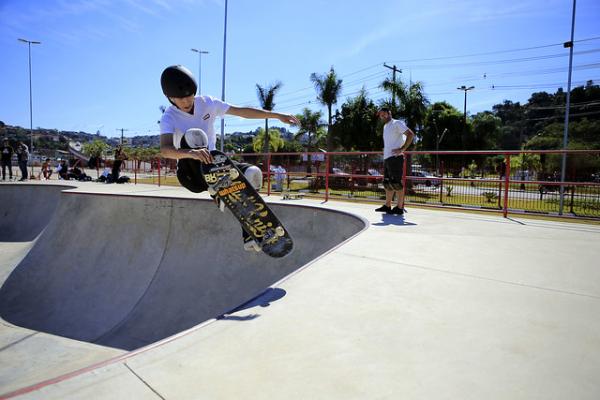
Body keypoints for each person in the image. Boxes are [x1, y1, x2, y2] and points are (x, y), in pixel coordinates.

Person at [159, 65, 299, 251]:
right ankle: (215, 188)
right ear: (170, 98)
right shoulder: (169, 117)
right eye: (180, 99)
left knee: (253, 173)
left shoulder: (208, 103)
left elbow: (242, 111)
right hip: (190, 175)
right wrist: (190, 153)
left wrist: (277, 115)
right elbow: (166, 149)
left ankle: (249, 234)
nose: (186, 101)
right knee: (194, 135)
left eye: (190, 96)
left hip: (216, 164)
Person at [375, 107, 415, 215]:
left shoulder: (397, 123)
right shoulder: (385, 126)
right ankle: (387, 206)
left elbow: (410, 134)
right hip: (387, 157)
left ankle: (399, 207)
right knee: (387, 183)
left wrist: (402, 149)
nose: (382, 116)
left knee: (396, 183)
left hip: (396, 158)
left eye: (384, 114)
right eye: (380, 115)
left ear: (389, 113)